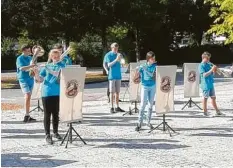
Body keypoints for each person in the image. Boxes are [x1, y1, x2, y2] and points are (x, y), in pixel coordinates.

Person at [33, 49, 65, 144]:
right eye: (53, 57)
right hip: (47, 92)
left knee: (56, 114)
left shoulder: (62, 65)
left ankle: (55, 132)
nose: (55, 58)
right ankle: (47, 134)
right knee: (47, 114)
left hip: (58, 92)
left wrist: (48, 69)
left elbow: (58, 75)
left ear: (60, 56)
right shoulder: (47, 66)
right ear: (51, 57)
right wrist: (36, 73)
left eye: (57, 56)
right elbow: (40, 80)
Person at [135, 51, 157, 131]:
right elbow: (137, 76)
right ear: (148, 59)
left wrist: (145, 69)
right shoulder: (143, 66)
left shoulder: (155, 66)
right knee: (142, 104)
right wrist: (138, 70)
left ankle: (148, 122)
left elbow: (151, 75)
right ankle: (139, 123)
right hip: (144, 86)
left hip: (152, 86)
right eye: (152, 59)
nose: (154, 60)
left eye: (154, 59)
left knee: (151, 105)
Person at [198, 51, 224, 116]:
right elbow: (204, 75)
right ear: (203, 58)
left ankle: (217, 111)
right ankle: (205, 112)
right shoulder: (201, 65)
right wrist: (212, 69)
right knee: (205, 98)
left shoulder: (208, 64)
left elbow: (212, 74)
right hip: (205, 84)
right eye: (207, 58)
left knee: (213, 98)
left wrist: (214, 71)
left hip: (210, 83)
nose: (209, 60)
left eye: (209, 58)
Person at [16, 45, 37, 122]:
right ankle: (26, 115)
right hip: (23, 79)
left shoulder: (30, 58)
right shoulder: (19, 58)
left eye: (30, 51)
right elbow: (21, 68)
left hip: (30, 79)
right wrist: (31, 66)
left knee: (29, 97)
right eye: (28, 51)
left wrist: (34, 71)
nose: (30, 52)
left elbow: (32, 68)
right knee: (27, 95)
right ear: (23, 50)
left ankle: (27, 114)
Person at [105, 43, 125, 113]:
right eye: (115, 48)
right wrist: (116, 59)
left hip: (118, 75)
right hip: (112, 76)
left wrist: (122, 62)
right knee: (112, 92)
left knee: (117, 92)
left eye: (117, 48)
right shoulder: (108, 55)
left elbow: (122, 63)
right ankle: (111, 107)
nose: (116, 50)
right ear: (112, 48)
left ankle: (117, 106)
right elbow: (109, 65)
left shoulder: (119, 55)